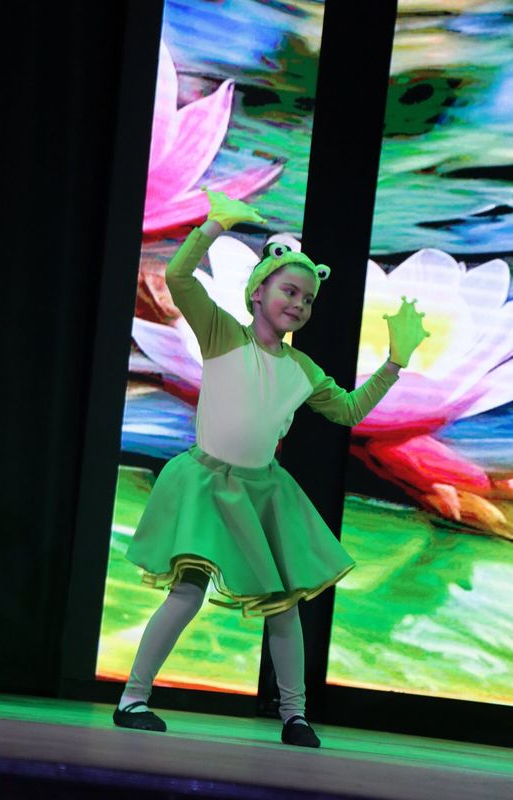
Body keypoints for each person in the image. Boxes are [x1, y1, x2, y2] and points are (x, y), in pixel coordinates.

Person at [113, 190, 429, 747]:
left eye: (307, 299)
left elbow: (349, 410)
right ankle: (132, 698)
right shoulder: (222, 335)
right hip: (206, 483)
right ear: (257, 292)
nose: (299, 304)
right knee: (185, 595)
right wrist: (214, 225)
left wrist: (394, 363)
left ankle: (295, 715)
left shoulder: (302, 369)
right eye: (289, 291)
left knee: (284, 606)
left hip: (261, 493)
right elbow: (180, 279)